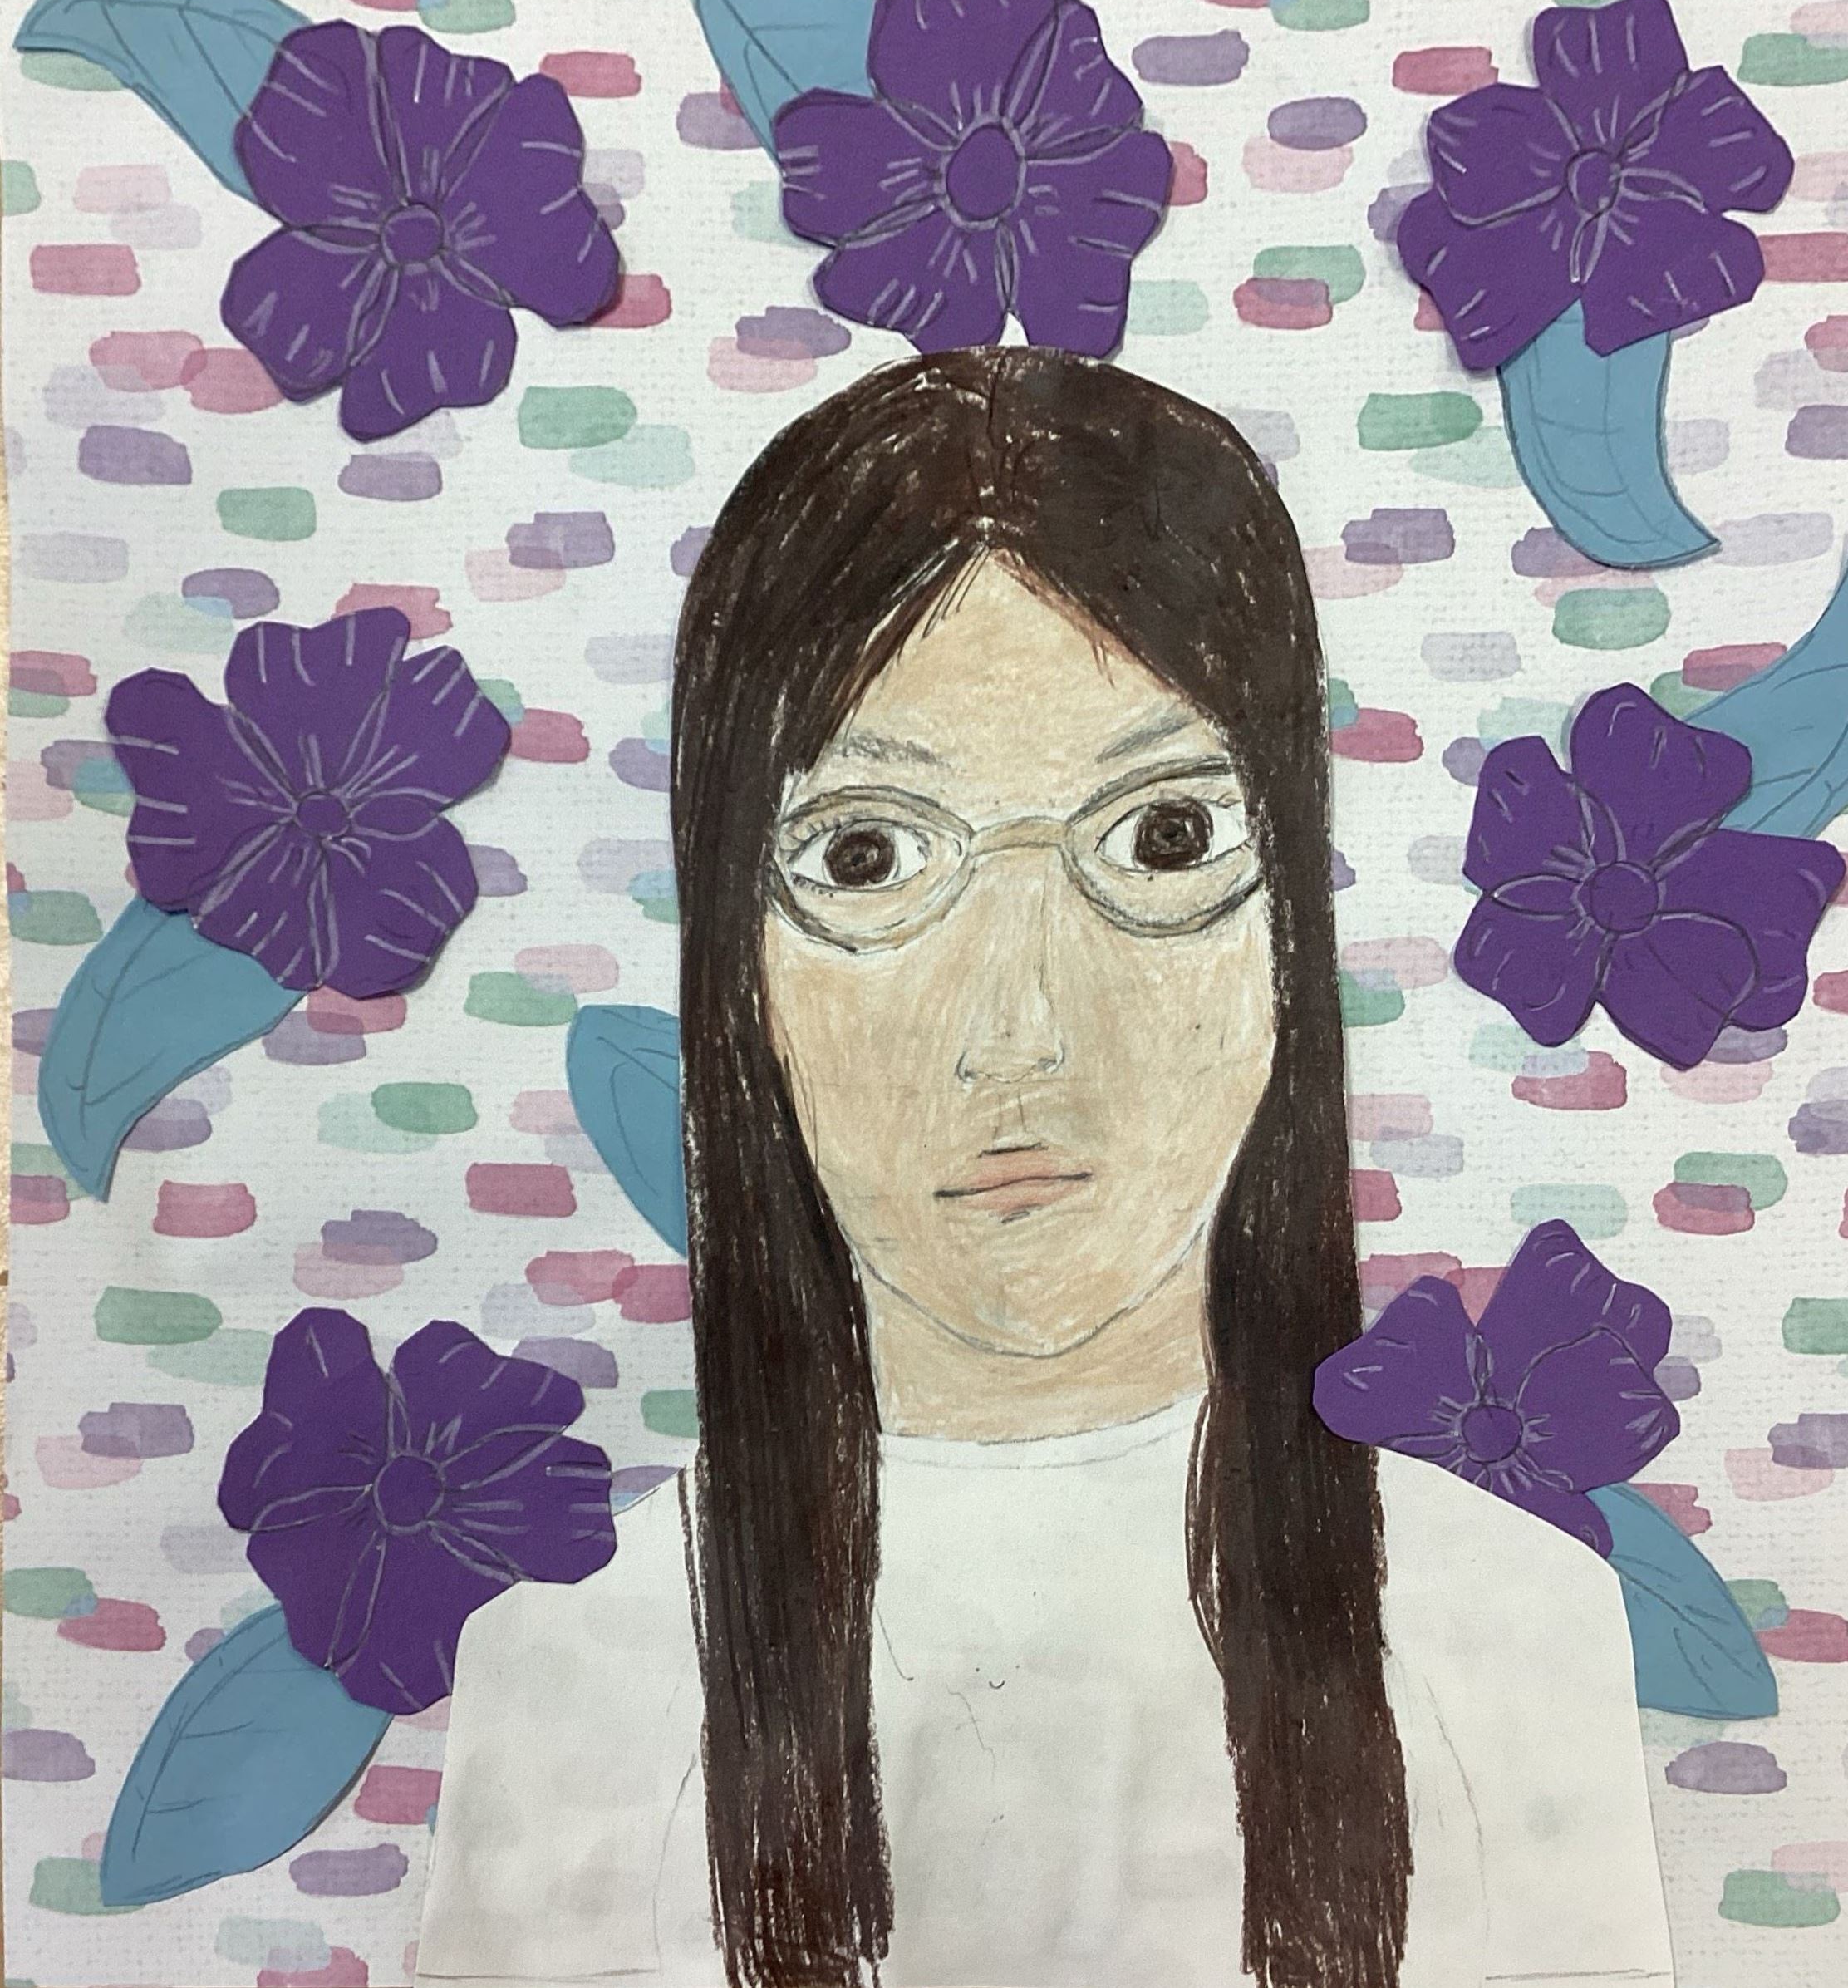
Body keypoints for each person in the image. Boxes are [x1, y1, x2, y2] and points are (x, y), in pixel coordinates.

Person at [412, 349, 1674, 1988]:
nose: (1018, 1033)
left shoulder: (1507, 1640)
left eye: (1162, 838)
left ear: (1289, 931)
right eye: (868, 853)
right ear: (738, 967)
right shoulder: (572, 1685)